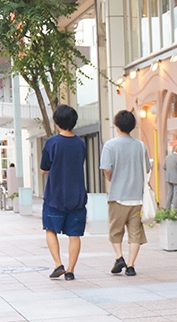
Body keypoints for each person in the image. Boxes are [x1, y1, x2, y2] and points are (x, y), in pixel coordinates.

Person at [100, 110, 151, 277]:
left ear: (116, 126)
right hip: (137, 197)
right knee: (135, 232)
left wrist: (111, 178)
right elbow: (147, 169)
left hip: (117, 195)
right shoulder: (141, 146)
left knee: (115, 230)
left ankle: (119, 256)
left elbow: (106, 169)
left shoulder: (110, 145)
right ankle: (130, 265)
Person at [39, 105, 88, 281]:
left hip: (54, 195)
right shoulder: (81, 143)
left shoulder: (51, 143)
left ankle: (58, 264)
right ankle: (70, 270)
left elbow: (44, 169)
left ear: (56, 122)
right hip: (77, 196)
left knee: (50, 229)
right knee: (74, 234)